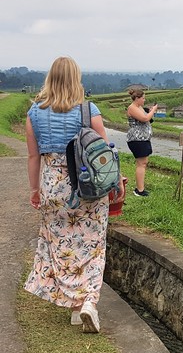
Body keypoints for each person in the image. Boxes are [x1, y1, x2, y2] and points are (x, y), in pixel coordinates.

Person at [24, 56, 123, 333]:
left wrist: (35, 191)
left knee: (62, 247)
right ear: (76, 78)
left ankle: (75, 309)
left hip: (53, 187)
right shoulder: (88, 110)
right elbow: (105, 152)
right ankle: (88, 302)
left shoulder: (34, 113)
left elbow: (33, 157)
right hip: (88, 186)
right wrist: (117, 182)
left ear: (50, 79)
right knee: (92, 246)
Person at [126, 88, 158, 197]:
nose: (144, 100)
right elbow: (144, 119)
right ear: (137, 98)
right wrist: (153, 110)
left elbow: (147, 118)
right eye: (143, 98)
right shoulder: (132, 108)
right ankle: (139, 190)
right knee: (141, 163)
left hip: (143, 139)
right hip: (137, 139)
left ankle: (140, 188)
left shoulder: (138, 107)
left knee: (143, 163)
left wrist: (150, 111)